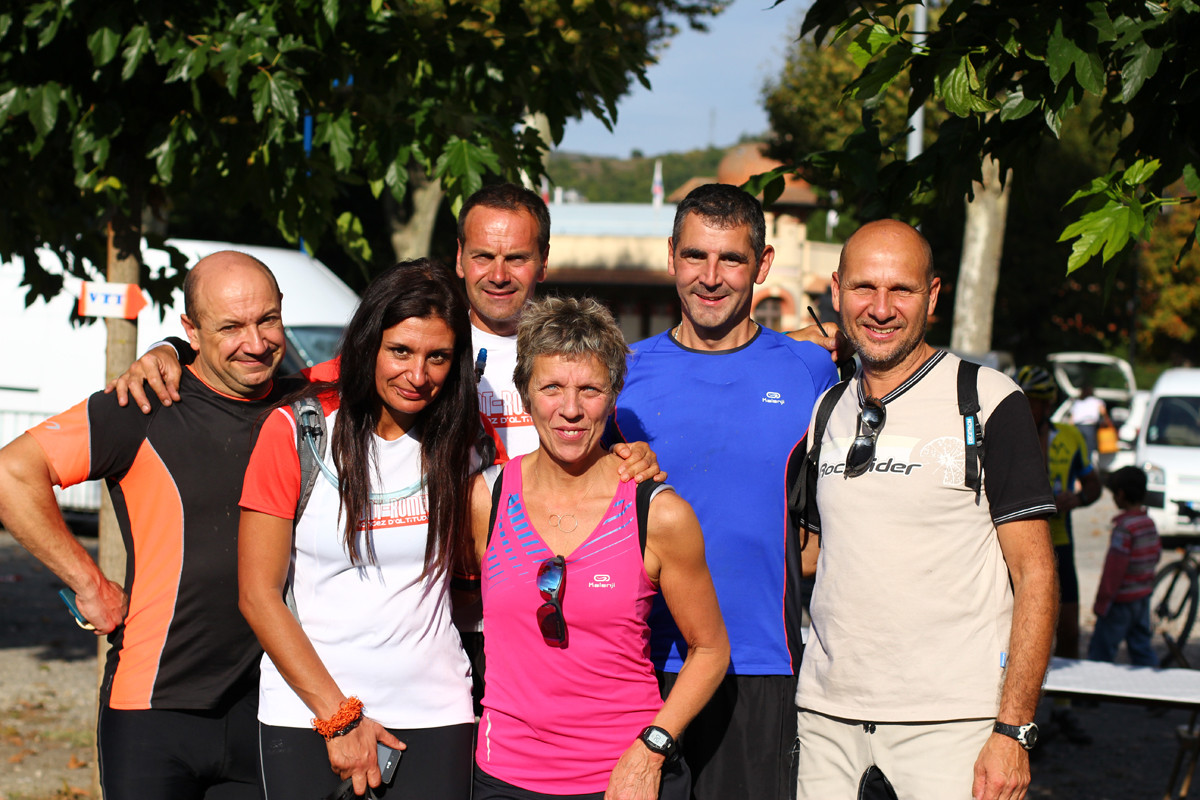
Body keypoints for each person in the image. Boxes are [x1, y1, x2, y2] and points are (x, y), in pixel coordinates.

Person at [0, 251, 297, 799]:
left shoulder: (309, 408)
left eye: (268, 320)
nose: (255, 343)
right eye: (230, 326)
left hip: (275, 711)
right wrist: (90, 585)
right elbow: (11, 475)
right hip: (154, 710)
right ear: (191, 327)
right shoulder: (144, 403)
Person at [795, 220, 1058, 800]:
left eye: (902, 290)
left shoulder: (988, 400)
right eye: (864, 288)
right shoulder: (827, 409)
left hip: (953, 725)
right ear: (836, 292)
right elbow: (814, 556)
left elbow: (1036, 575)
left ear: (932, 296)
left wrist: (1013, 729)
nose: (881, 308)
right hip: (827, 718)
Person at [608, 183, 839, 800]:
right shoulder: (620, 376)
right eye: (695, 256)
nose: (711, 278)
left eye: (732, 259)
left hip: (760, 662)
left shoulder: (812, 371)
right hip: (640, 666)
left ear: (762, 265)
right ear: (671, 257)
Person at [238, 259, 480, 799]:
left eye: (437, 357)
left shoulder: (466, 441)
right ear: (369, 343)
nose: (418, 376)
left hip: (433, 711)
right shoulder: (298, 432)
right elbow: (258, 596)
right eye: (401, 352)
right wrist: (339, 718)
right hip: (309, 714)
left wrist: (628, 457)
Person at [470, 296, 729, 799]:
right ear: (525, 393)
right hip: (504, 777)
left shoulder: (658, 513)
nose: (570, 409)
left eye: (590, 389)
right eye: (551, 388)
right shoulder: (487, 498)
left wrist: (652, 749)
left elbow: (711, 649)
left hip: (623, 777)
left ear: (613, 398)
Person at [1016, 364, 1101, 745]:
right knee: (1013, 626)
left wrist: (1078, 498)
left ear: (1049, 403)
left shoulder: (1069, 436)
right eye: (1027, 400)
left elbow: (1095, 486)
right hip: (1015, 543)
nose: (1032, 408)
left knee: (1067, 630)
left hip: (1059, 541)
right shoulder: (1007, 432)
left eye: (1038, 402)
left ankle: (1064, 709)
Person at [1088, 466, 1162, 665]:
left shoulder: (1123, 529)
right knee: (1142, 649)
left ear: (1120, 495)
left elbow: (1114, 570)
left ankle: (1088, 694)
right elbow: (1156, 555)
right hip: (1142, 598)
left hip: (1120, 602)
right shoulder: (1149, 523)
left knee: (1100, 652)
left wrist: (1102, 602)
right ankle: (1154, 690)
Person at [1069, 383, 1112, 459]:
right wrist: (1108, 423)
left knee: (1077, 448)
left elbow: (1071, 420)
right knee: (1088, 449)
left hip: (1077, 427)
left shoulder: (1077, 402)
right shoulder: (1096, 401)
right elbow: (1103, 413)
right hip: (1089, 427)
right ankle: (1087, 467)